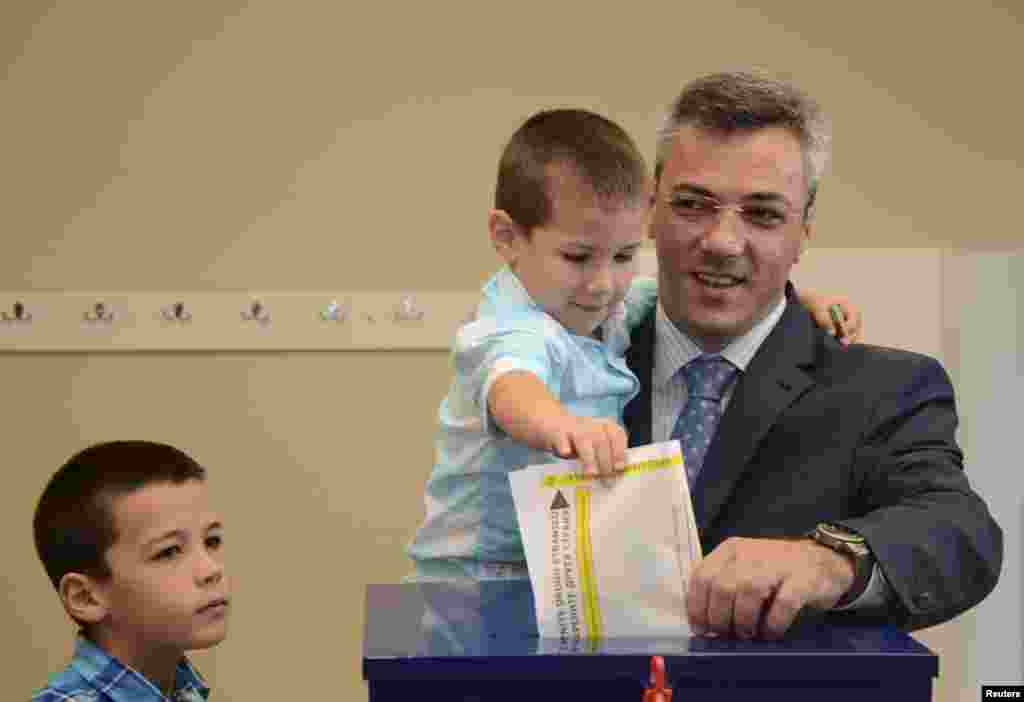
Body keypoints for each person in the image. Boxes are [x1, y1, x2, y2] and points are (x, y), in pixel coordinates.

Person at [623, 70, 1003, 639]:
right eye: (694, 204)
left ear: (804, 230)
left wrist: (827, 561)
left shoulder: (885, 389)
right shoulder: (562, 363)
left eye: (764, 214)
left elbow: (960, 534)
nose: (724, 242)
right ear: (650, 209)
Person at [407, 108, 861, 581]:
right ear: (507, 237)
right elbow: (512, 388)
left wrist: (799, 299)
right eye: (578, 256)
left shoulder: (608, 304)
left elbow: (657, 294)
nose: (604, 283)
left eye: (624, 255)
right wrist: (563, 426)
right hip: (471, 576)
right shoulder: (512, 326)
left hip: (550, 563)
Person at [31, 440, 229, 701]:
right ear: (85, 597)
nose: (211, 570)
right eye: (168, 552)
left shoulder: (184, 691)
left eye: (211, 541)